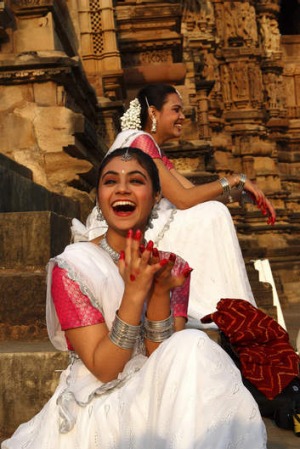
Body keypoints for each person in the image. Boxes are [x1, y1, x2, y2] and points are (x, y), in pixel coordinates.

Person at [2, 148, 267, 449]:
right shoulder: (73, 266)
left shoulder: (171, 266)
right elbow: (105, 369)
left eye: (136, 181)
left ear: (156, 196)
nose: (122, 189)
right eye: (110, 181)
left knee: (192, 346)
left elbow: (164, 358)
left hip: (156, 392)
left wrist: (159, 292)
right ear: (100, 197)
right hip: (101, 400)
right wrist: (134, 292)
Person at [73, 83, 276, 328]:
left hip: (141, 224)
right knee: (214, 214)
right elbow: (183, 199)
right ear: (154, 113)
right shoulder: (140, 141)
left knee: (214, 211)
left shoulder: (152, 148)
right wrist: (236, 179)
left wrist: (240, 193)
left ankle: (229, 306)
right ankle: (223, 306)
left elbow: (192, 193)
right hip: (125, 229)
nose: (182, 117)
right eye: (176, 110)